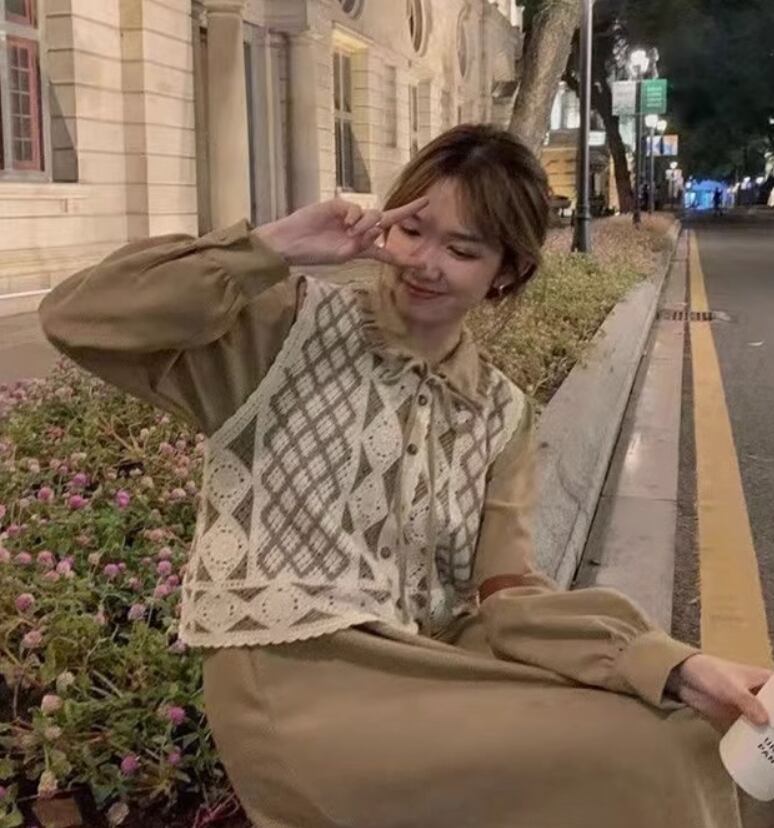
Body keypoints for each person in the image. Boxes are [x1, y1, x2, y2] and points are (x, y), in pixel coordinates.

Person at [40, 125, 770, 828]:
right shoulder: (281, 331)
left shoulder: (499, 412)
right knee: (642, 760)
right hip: (297, 682)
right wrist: (272, 247)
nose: (425, 262)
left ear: (505, 273)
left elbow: (510, 596)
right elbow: (77, 316)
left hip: (434, 666)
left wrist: (672, 664)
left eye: (463, 249)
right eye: (413, 230)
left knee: (700, 736)